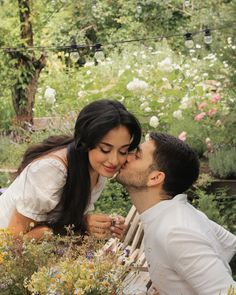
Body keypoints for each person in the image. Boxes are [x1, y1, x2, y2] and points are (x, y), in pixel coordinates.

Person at [0, 99, 142, 240]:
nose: (114, 160)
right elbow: (12, 240)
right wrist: (80, 226)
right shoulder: (52, 170)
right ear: (86, 142)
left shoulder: (97, 169)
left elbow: (62, 220)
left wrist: (104, 225)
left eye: (123, 151)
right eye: (105, 150)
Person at [116, 132, 236, 295]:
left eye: (136, 156)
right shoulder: (177, 215)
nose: (126, 157)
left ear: (155, 178)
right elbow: (229, 243)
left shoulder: (175, 232)